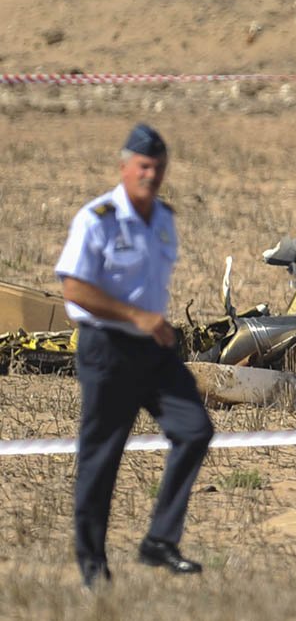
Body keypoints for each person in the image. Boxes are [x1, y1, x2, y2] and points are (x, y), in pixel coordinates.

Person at [55, 123, 214, 588]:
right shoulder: (97, 219)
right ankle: (92, 566)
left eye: (158, 167)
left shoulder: (164, 218)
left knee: (195, 429)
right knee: (101, 457)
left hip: (153, 349)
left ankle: (159, 541)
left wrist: (150, 324)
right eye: (143, 166)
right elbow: (74, 288)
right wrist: (134, 316)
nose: (151, 175)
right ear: (124, 167)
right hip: (107, 347)